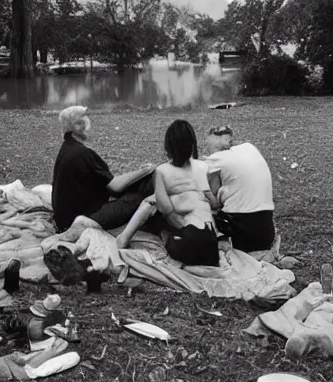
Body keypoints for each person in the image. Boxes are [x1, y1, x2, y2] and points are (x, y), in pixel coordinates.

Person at [115, 120, 220, 267]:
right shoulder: (204, 167)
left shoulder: (162, 171)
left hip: (188, 244)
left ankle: (123, 239)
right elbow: (210, 200)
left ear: (169, 147)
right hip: (211, 246)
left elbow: (165, 210)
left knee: (150, 203)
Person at [52, 106, 156, 233]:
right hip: (81, 220)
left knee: (133, 188)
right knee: (143, 194)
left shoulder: (67, 148)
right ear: (78, 126)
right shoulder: (82, 153)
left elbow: (106, 183)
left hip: (65, 219)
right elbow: (115, 186)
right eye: (86, 121)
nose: (90, 126)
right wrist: (146, 170)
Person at [202, 125, 277, 252]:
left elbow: (202, 190)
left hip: (242, 235)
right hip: (266, 232)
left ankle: (221, 243)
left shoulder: (216, 159)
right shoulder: (249, 148)